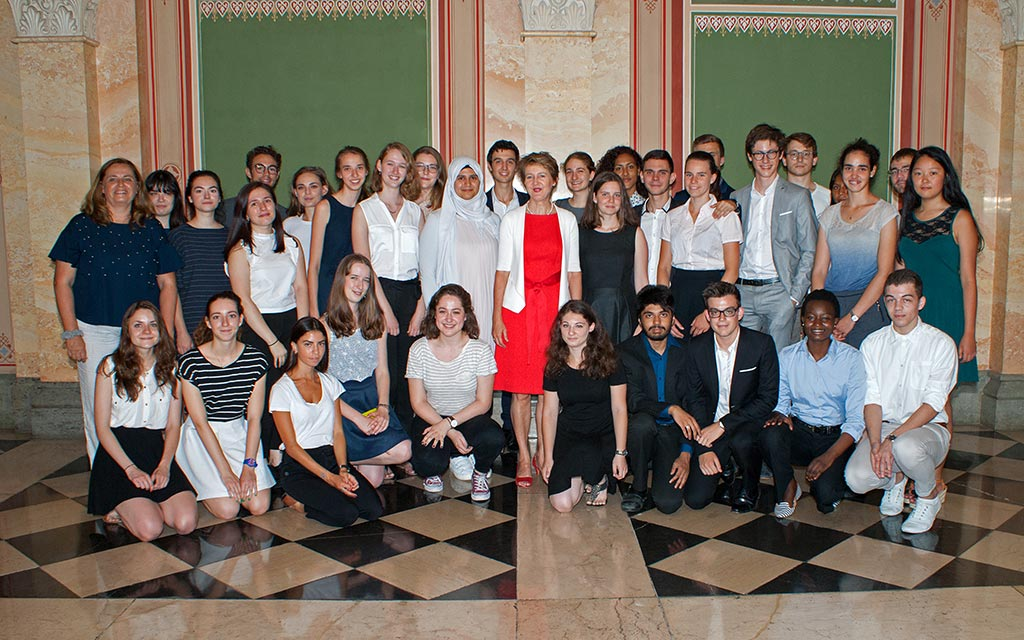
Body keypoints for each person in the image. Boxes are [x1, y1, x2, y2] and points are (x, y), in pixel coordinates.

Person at [50, 157, 181, 462]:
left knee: (146, 404)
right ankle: (107, 484)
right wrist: (72, 334)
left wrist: (167, 336)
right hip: (94, 332)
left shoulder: (151, 229)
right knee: (100, 408)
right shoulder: (80, 227)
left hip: (145, 335)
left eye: (127, 179)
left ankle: (145, 471)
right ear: (101, 188)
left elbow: (168, 285)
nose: (120, 185)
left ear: (137, 188)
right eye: (112, 179)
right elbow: (62, 283)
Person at [845, 269, 958, 533]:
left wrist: (891, 440)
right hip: (884, 427)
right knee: (856, 479)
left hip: (927, 430)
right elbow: (871, 399)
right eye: (891, 299)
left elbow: (933, 404)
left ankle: (928, 498)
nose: (898, 307)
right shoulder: (872, 343)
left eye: (906, 299)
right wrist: (875, 442)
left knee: (906, 447)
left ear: (920, 303)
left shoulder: (941, 344)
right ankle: (896, 479)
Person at [494, 151, 582, 487]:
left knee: (549, 391)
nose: (535, 183)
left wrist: (577, 315)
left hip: (555, 314)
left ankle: (546, 451)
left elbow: (574, 271)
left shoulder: (567, 220)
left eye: (541, 176)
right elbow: (502, 273)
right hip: (518, 312)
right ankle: (522, 454)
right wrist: (496, 318)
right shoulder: (512, 220)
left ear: (553, 180)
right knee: (519, 392)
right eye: (529, 177)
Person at [88, 301, 197, 541]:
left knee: (186, 523)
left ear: (160, 331)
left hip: (156, 450)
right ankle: (121, 507)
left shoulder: (171, 368)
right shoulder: (110, 367)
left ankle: (145, 504)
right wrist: (131, 469)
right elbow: (102, 428)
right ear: (127, 330)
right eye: (138, 325)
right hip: (119, 452)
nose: (146, 331)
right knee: (150, 529)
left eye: (152, 324)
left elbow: (172, 426)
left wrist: (165, 465)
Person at [759, 289, 866, 517]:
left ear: (835, 322)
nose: (817, 323)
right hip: (801, 431)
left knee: (825, 500)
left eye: (825, 318)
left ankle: (835, 480)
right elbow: (781, 400)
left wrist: (829, 456)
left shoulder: (852, 359)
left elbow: (856, 420)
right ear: (802, 320)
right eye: (810, 317)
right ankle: (788, 487)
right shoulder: (787, 356)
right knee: (769, 433)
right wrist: (779, 413)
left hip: (835, 437)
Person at [269, 316, 384, 526]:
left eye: (321, 344)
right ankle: (295, 500)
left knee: (373, 510)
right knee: (346, 514)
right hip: (300, 465)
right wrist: (330, 479)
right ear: (294, 347)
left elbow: (338, 433)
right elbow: (292, 447)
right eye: (308, 344)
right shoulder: (281, 389)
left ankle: (328, 488)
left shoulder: (330, 383)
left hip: (330, 458)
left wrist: (342, 469)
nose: (316, 351)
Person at [226, 181, 309, 457]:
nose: (263, 208)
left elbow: (300, 289)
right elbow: (244, 301)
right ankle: (260, 460)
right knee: (261, 401)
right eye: (254, 203)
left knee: (291, 396)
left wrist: (305, 336)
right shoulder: (240, 250)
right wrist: (272, 342)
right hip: (258, 329)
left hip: (290, 324)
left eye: (267, 201)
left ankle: (285, 457)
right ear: (245, 212)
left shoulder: (292, 243)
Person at [176, 291, 275, 519]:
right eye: (217, 317)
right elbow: (200, 423)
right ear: (208, 322)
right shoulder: (190, 362)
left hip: (238, 431)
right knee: (228, 510)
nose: (225, 323)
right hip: (203, 436)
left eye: (231, 316)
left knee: (259, 506)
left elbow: (253, 419)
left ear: (241, 319)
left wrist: (248, 466)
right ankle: (196, 479)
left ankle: (229, 482)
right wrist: (226, 473)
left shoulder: (256, 360)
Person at [683, 281, 779, 512]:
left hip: (746, 422)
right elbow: (694, 398)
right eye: (715, 312)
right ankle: (725, 464)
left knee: (742, 440)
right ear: (707, 315)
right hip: (710, 424)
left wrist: (724, 424)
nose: (722, 319)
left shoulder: (761, 344)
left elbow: (768, 398)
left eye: (729, 311)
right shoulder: (696, 348)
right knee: (696, 500)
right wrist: (704, 447)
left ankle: (749, 483)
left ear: (740, 313)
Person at [351, 142, 425, 432]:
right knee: (383, 371)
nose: (395, 171)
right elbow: (364, 265)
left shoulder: (415, 212)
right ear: (379, 166)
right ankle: (384, 436)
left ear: (408, 172)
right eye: (390, 164)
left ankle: (406, 437)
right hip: (375, 294)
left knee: (410, 371)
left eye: (402, 165)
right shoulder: (364, 210)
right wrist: (385, 310)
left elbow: (425, 266)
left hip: (411, 295)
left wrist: (420, 308)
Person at [407, 284, 504, 500]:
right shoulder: (419, 349)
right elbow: (418, 402)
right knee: (428, 464)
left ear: (466, 316)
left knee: (494, 436)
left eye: (456, 312)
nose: (448, 318)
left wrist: (449, 423)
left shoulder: (480, 350)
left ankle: (479, 471)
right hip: (431, 418)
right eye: (442, 311)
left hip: (467, 418)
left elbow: (483, 403)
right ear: (434, 315)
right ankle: (452, 456)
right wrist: (447, 429)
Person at [323, 254, 411, 487]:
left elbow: (382, 371)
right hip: (341, 404)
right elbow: (323, 385)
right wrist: (359, 420)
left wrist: (382, 409)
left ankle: (345, 464)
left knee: (403, 452)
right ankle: (338, 461)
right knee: (371, 482)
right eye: (354, 277)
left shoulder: (376, 321)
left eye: (365, 280)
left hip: (371, 398)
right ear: (341, 279)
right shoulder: (323, 325)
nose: (359, 285)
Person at [898, 146, 982, 383]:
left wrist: (969, 333)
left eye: (933, 173)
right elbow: (899, 272)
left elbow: (968, 280)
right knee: (912, 390)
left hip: (947, 311)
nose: (924, 180)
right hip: (912, 313)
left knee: (939, 396)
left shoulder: (960, 218)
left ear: (946, 176)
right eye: (918, 173)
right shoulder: (906, 217)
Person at [732, 123, 818, 351]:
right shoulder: (736, 197)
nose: (765, 159)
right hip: (744, 292)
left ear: (780, 155)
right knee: (746, 362)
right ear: (750, 157)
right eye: (759, 153)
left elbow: (810, 249)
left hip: (780, 291)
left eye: (771, 152)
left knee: (780, 363)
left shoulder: (797, 197)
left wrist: (794, 298)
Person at [617, 285, 700, 515]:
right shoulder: (625, 352)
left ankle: (663, 464)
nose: (656, 322)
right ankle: (639, 486)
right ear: (639, 319)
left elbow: (694, 402)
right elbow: (633, 400)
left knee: (668, 503)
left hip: (675, 433)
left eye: (663, 315)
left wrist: (686, 452)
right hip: (643, 429)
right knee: (641, 423)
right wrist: (671, 409)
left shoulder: (688, 352)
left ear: (673, 319)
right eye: (649, 315)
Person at [540, 300, 628, 511]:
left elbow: (619, 409)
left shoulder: (610, 361)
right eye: (565, 325)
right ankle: (581, 475)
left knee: (589, 455)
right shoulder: (554, 364)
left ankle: (598, 478)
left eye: (578, 325)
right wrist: (547, 456)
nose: (571, 332)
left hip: (601, 436)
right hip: (570, 435)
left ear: (591, 327)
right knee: (562, 505)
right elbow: (550, 412)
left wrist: (620, 453)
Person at [811, 139, 899, 348]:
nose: (854, 175)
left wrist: (852, 317)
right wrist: (821, 311)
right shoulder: (830, 214)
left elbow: (884, 271)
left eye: (862, 168)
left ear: (872, 171)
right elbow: (820, 270)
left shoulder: (885, 213)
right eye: (848, 168)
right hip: (832, 303)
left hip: (868, 306)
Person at [658, 151, 742, 340]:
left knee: (707, 355)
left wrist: (711, 310)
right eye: (689, 174)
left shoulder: (726, 216)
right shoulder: (672, 217)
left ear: (713, 177)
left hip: (713, 289)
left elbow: (732, 271)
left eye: (701, 175)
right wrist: (665, 310)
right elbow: (663, 267)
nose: (694, 180)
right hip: (679, 291)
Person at [418, 156, 501, 342]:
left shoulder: (493, 220)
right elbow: (427, 273)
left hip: (487, 306)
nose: (467, 183)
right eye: (460, 178)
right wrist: (439, 314)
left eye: (473, 177)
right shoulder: (438, 220)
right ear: (451, 182)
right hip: (453, 312)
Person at [579, 171, 648, 343]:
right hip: (589, 309)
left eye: (616, 195)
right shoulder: (579, 233)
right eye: (605, 194)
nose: (611, 200)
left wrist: (644, 317)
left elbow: (641, 282)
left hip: (624, 311)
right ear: (594, 197)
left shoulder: (635, 233)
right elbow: (573, 277)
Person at [170, 170, 231, 353]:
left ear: (220, 197)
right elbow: (172, 289)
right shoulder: (178, 237)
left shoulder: (231, 237)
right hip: (191, 324)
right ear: (189, 197)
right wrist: (180, 331)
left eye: (212, 190)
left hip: (226, 324)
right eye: (199, 190)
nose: (206, 196)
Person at [307, 146, 370, 316]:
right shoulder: (325, 207)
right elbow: (314, 265)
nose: (354, 175)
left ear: (367, 171)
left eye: (359, 168)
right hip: (329, 292)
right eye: (347, 169)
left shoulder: (369, 208)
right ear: (339, 173)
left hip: (359, 292)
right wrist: (313, 309)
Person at [219, 145, 287, 229]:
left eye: (272, 169)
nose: (266, 174)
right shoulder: (225, 210)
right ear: (248, 172)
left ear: (277, 175)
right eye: (259, 168)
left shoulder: (284, 216)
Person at [636, 150, 677, 285]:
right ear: (641, 176)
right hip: (637, 299)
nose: (655, 178)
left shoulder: (683, 215)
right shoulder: (629, 217)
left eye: (662, 173)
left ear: (672, 178)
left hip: (673, 297)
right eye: (649, 172)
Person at [283, 166, 330, 269]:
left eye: (313, 186)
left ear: (324, 189)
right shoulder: (288, 225)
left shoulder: (334, 224)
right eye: (301, 187)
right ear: (295, 192)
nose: (307, 192)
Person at [671, 134, 736, 207]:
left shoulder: (733, 198)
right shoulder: (680, 198)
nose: (706, 160)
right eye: (700, 155)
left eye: (712, 155)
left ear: (721, 160)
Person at [782, 132, 831, 218]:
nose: (800, 159)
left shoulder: (827, 197)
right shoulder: (774, 196)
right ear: (784, 160)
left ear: (814, 160)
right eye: (794, 154)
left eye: (806, 154)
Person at [484, 140, 529, 217]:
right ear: (490, 166)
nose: (504, 167)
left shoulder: (529, 201)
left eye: (510, 162)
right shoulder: (480, 203)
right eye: (498, 161)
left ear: (516, 166)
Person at [554, 151, 595, 222]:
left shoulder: (601, 208)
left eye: (580, 171)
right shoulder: (557, 207)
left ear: (591, 175)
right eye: (569, 172)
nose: (574, 177)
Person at [413, 145, 446, 215]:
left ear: (438, 174)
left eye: (432, 167)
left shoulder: (446, 204)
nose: (426, 172)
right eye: (420, 166)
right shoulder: (401, 201)